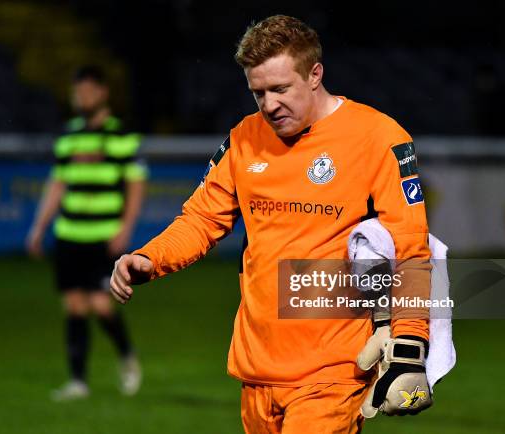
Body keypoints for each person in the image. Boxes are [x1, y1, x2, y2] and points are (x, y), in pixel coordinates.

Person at [110, 15, 432, 433]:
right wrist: (150, 257)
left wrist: (410, 344)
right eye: (258, 92)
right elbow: (202, 218)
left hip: (332, 372)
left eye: (281, 89)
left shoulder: (378, 138)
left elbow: (411, 248)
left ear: (315, 74)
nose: (269, 105)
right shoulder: (245, 138)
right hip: (257, 370)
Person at [27, 65, 147, 400]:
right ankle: (78, 381)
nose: (82, 97)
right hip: (69, 234)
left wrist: (125, 228)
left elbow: (136, 185)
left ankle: (127, 355)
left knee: (101, 304)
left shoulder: (121, 135)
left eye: (88, 91)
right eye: (78, 91)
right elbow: (57, 184)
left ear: (103, 92)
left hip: (103, 235)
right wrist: (39, 227)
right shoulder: (69, 136)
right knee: (75, 305)